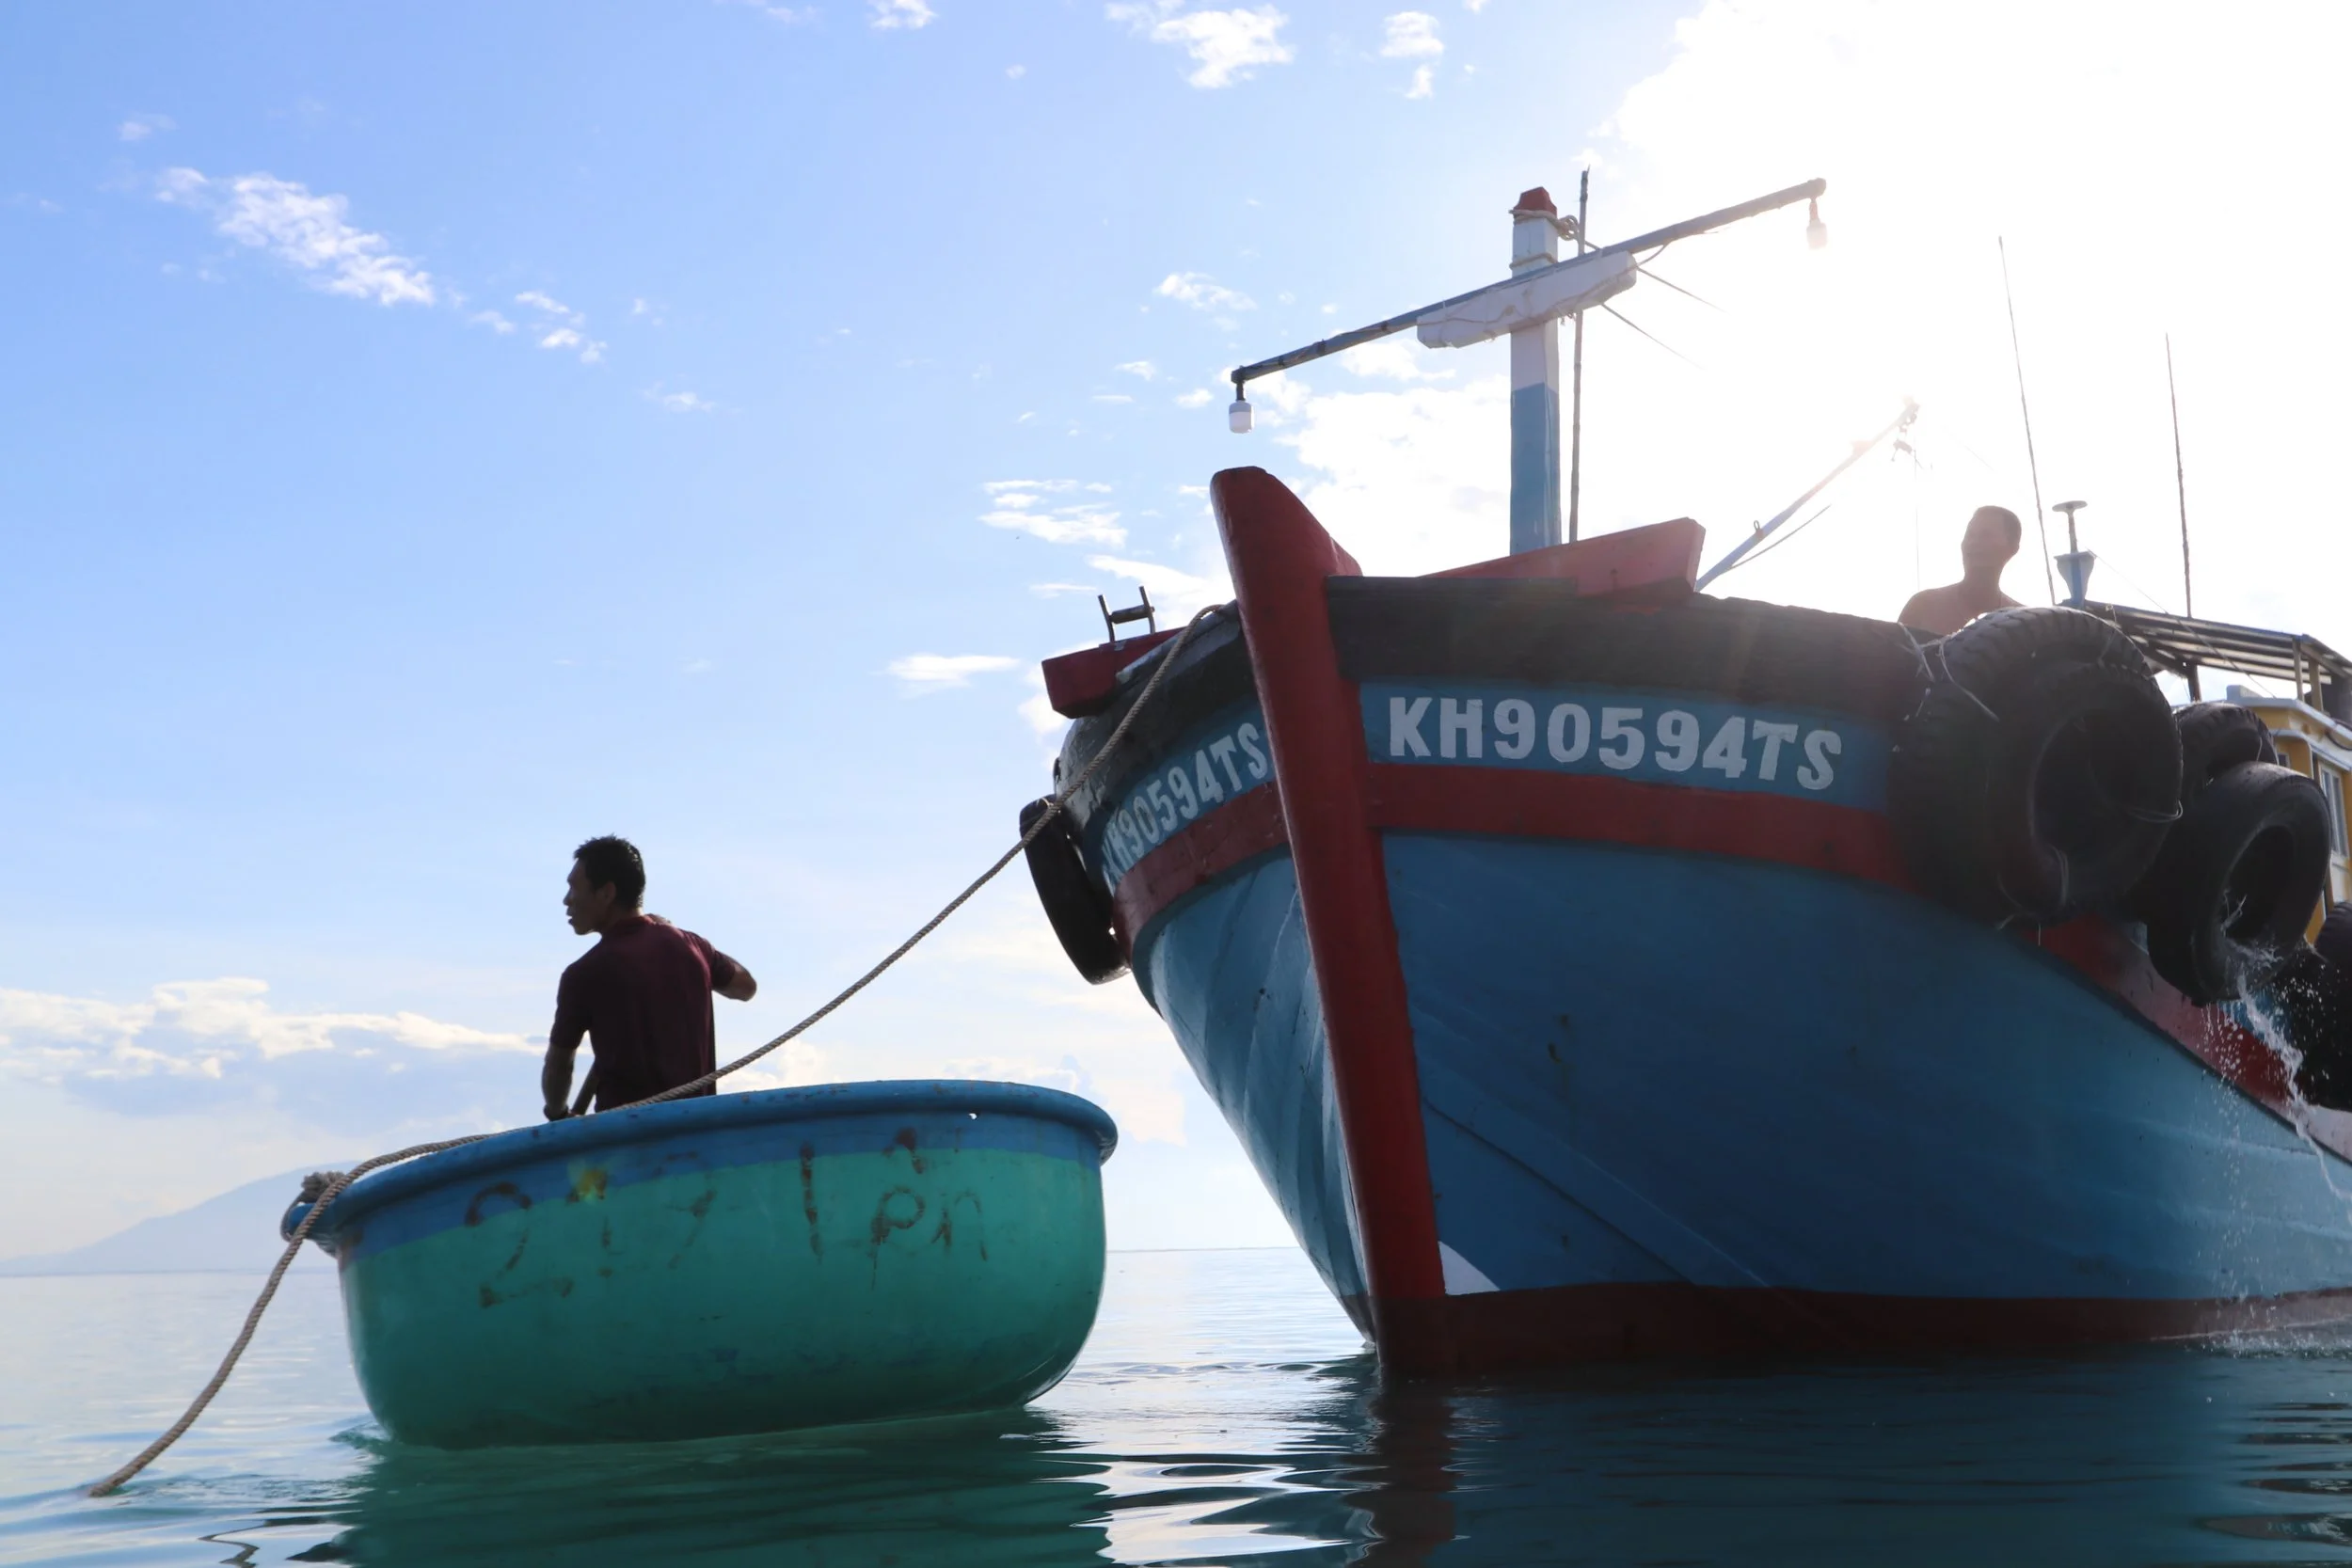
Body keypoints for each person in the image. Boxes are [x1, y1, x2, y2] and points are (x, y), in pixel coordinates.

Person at [542, 835, 756, 1120]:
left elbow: (559, 1065)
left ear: (606, 893)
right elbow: (745, 987)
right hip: (697, 1128)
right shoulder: (693, 947)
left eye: (574, 888)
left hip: (626, 1135)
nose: (567, 900)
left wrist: (557, 1113)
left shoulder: (584, 973)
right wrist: (682, 939)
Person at [1898, 505, 2026, 636]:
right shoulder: (1923, 606)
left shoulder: (2023, 622)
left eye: (1985, 535)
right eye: (1970, 535)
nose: (1973, 542)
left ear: (2012, 548)